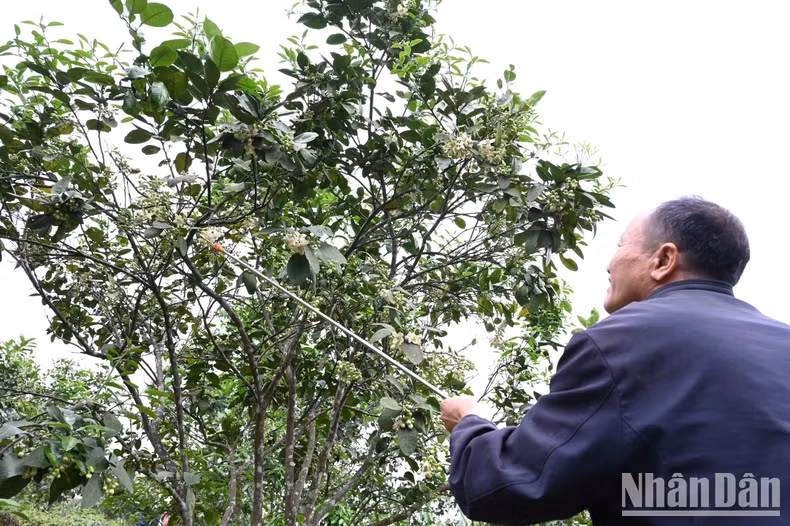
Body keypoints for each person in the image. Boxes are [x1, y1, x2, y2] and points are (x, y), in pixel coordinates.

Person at [440, 196, 790, 524]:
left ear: (664, 260)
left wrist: (470, 424)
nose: (609, 264)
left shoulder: (618, 343)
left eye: (620, 245)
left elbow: (507, 487)